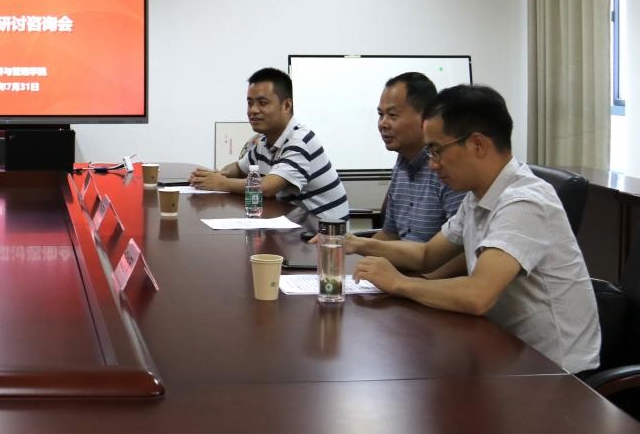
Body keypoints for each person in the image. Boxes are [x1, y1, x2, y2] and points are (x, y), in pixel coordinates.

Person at [348, 84, 600, 373]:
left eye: (436, 150)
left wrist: (399, 283)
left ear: (477, 144)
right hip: (505, 353)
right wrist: (357, 243)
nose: (432, 164)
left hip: (556, 373)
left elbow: (478, 294)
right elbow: (427, 255)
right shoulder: (478, 196)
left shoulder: (525, 202)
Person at [189, 68, 349, 222]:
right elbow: (239, 168)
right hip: (293, 226)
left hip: (324, 233)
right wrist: (215, 175)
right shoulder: (264, 141)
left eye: (262, 103)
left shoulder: (301, 141)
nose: (253, 110)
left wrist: (220, 183)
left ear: (286, 105)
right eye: (250, 103)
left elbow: (267, 188)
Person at [369, 72, 465, 242]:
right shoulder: (401, 165)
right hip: (405, 259)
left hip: (432, 259)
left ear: (425, 117)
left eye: (392, 115)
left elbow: (460, 246)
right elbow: (390, 234)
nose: (383, 123)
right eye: (380, 114)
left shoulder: (447, 167)